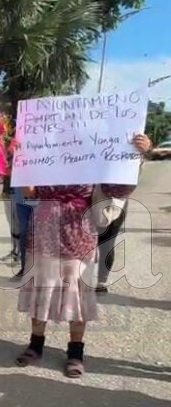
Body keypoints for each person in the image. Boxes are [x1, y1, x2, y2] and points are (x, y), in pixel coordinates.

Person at [15, 133, 151, 377]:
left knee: (77, 295)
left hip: (79, 236)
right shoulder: (47, 156)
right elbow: (31, 192)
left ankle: (75, 352)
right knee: (40, 290)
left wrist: (136, 156)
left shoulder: (95, 158)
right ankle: (35, 345)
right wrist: (21, 159)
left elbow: (120, 188)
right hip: (43, 234)